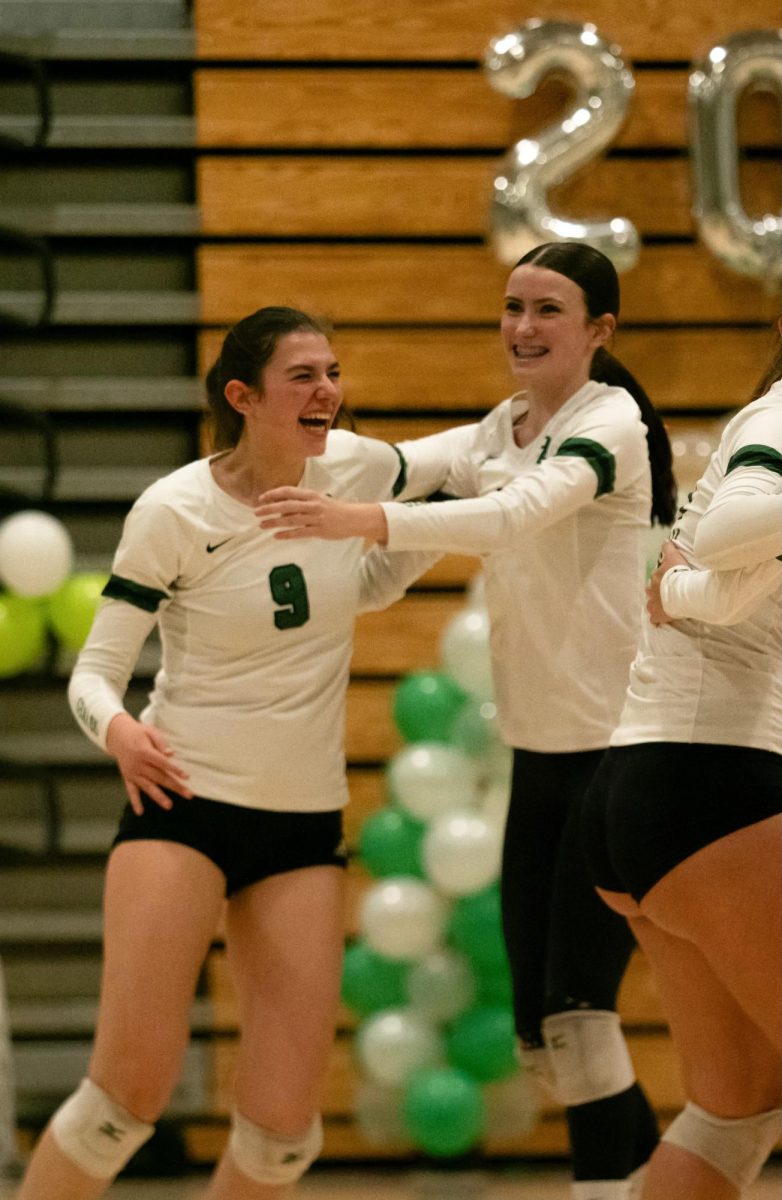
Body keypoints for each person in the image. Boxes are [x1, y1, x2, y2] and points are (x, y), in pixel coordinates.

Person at [255, 243, 678, 1200]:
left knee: (577, 1021)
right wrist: (279, 441)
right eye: (513, 306)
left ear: (599, 332)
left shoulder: (603, 424)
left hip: (622, 758)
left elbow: (513, 515)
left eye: (549, 310)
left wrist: (368, 522)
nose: (523, 327)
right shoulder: (503, 425)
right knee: (543, 1041)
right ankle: (656, 1178)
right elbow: (403, 462)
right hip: (543, 757)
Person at [14, 306, 432, 1200]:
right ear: (244, 397)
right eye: (304, 377)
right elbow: (93, 674)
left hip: (303, 820)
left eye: (332, 372)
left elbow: (449, 482)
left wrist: (408, 527)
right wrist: (121, 731)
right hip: (184, 806)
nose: (327, 392)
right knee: (123, 1101)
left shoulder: (357, 467)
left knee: (285, 1133)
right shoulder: (174, 509)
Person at [579, 317, 782, 1200]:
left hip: (658, 790)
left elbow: (709, 582)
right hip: (711, 786)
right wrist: (683, 585)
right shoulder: (778, 419)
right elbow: (738, 522)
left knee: (735, 1109)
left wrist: (679, 586)